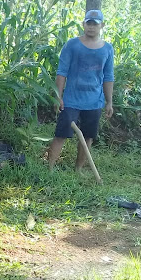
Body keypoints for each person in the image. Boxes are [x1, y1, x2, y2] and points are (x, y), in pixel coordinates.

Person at [47, 10, 114, 171]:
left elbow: (108, 76)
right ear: (83, 24)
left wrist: (109, 101)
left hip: (94, 101)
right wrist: (58, 96)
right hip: (71, 100)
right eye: (88, 23)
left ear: (102, 26)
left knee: (88, 137)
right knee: (61, 134)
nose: (91, 27)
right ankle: (49, 169)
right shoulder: (72, 45)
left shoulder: (107, 49)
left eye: (95, 24)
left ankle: (78, 170)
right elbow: (62, 72)